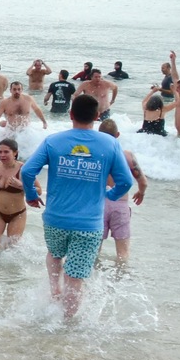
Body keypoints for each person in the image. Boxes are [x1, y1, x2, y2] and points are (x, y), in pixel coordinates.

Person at [19, 94, 133, 317]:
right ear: (97, 116)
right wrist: (108, 196)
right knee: (76, 276)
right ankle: (69, 322)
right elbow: (126, 181)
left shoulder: (54, 141)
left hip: (55, 219)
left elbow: (27, 171)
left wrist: (31, 195)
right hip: (88, 224)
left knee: (55, 254)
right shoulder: (110, 143)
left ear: (71, 114)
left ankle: (55, 292)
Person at [97, 118, 145, 261]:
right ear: (117, 134)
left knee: (94, 251)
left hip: (99, 205)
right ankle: (120, 281)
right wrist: (141, 192)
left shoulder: (94, 155)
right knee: (123, 254)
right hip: (120, 206)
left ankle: (92, 281)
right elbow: (143, 182)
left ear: (99, 134)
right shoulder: (127, 156)